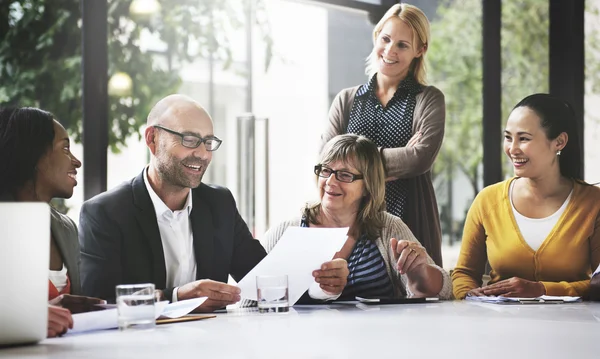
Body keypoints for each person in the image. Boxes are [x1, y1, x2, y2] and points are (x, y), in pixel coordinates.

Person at [78, 94, 346, 312]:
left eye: (208, 142)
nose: (203, 154)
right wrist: (175, 297)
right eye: (190, 140)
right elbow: (98, 302)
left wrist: (322, 286)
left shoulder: (219, 203)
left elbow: (265, 279)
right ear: (152, 139)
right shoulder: (105, 213)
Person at [321, 3, 445, 266]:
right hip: (351, 220)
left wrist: (356, 170)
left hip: (410, 215)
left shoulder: (428, 99)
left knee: (414, 295)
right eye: (386, 39)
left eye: (402, 45)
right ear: (376, 36)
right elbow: (327, 158)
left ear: (420, 50)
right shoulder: (346, 99)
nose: (390, 50)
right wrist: (392, 164)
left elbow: (419, 158)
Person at [263, 134, 452, 301]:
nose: (330, 182)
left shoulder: (388, 227)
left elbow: (444, 291)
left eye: (344, 175)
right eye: (326, 171)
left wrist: (419, 273)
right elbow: (250, 300)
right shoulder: (287, 230)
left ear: (368, 186)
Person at [452, 94, 600, 300]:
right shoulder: (487, 200)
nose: (512, 149)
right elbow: (464, 273)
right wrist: (469, 295)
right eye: (508, 137)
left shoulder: (593, 203)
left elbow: (598, 283)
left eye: (524, 138)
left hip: (574, 326)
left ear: (559, 142)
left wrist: (542, 289)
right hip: (498, 326)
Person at [0, 107, 103, 337]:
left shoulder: (66, 228)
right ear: (33, 154)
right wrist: (27, 318)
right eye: (65, 148)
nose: (76, 162)